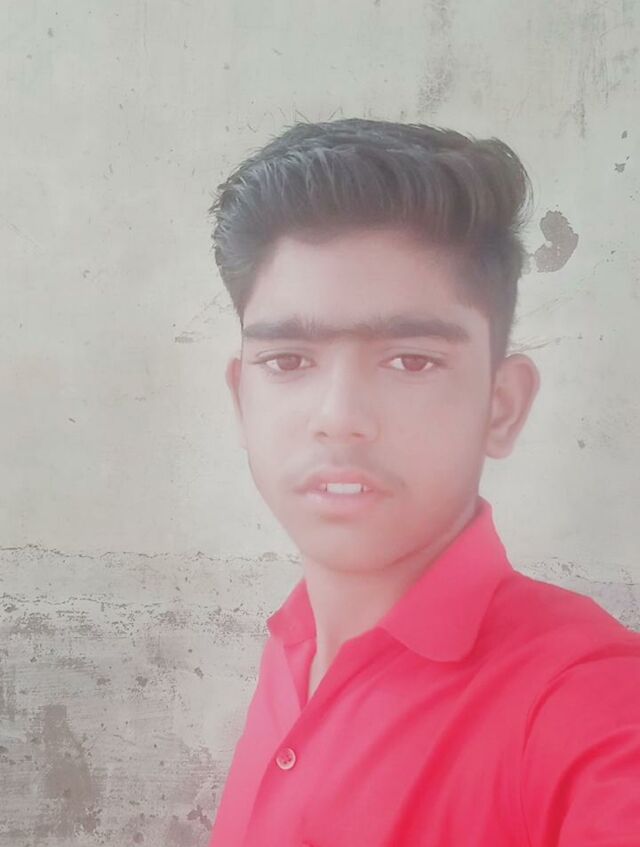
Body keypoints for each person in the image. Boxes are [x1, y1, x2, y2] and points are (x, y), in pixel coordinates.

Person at [206, 119, 640, 846]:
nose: (339, 418)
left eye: (410, 361)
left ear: (501, 406)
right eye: (288, 361)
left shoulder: (587, 701)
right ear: (241, 399)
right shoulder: (293, 645)